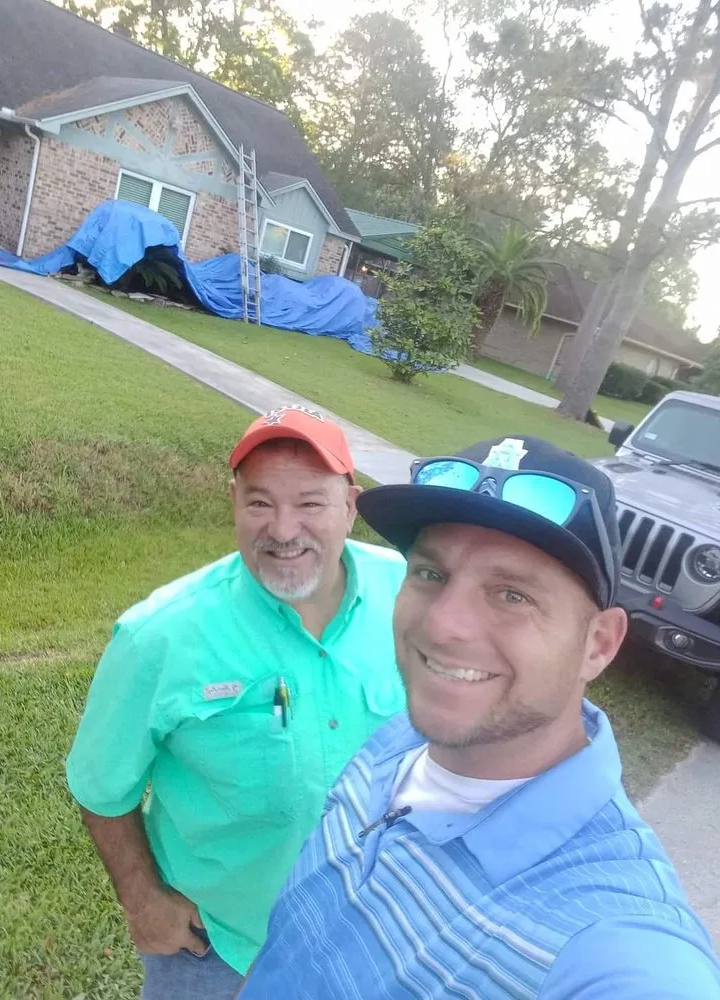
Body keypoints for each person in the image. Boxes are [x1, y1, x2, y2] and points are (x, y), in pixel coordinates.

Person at [240, 436, 720, 999]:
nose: (443, 626)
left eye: (512, 595)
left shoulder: (612, 946)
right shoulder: (397, 739)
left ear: (598, 644)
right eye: (431, 574)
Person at [66, 405, 407, 1000]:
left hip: (371, 934)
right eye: (259, 503)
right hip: (220, 948)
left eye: (310, 503)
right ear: (233, 502)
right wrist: (143, 899)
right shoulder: (159, 636)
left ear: (351, 506)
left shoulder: (407, 590)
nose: (283, 529)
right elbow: (101, 788)